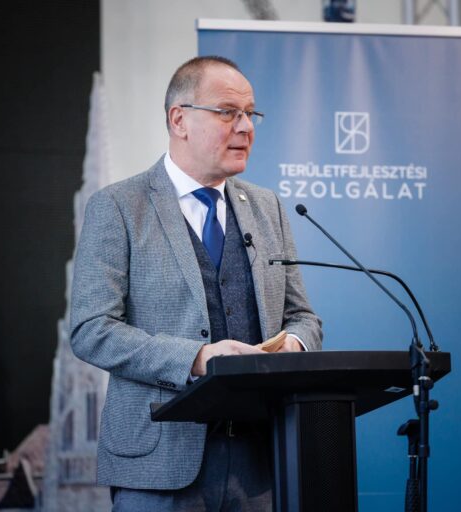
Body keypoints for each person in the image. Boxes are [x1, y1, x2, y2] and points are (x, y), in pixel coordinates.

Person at [70, 55, 322, 511]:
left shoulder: (268, 208)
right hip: (158, 464)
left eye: (251, 114)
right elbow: (92, 329)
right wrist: (196, 358)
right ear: (179, 120)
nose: (245, 127)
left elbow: (302, 316)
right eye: (228, 112)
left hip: (260, 464)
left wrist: (294, 345)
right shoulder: (119, 207)